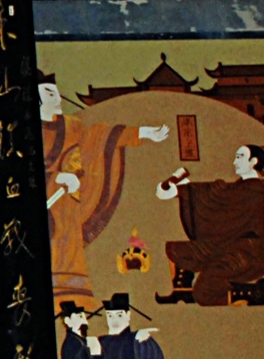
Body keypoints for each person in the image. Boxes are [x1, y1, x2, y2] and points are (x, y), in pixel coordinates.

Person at [41, 74, 169, 311]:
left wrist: (141, 133)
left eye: (56, 92)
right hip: (47, 201)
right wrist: (56, 177)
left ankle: (75, 301)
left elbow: (98, 138)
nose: (57, 98)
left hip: (69, 202)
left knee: (70, 251)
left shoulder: (72, 126)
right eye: (49, 93)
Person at [156, 144, 264, 306]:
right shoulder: (239, 187)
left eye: (240, 157)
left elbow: (223, 196)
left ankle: (248, 293)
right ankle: (182, 291)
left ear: (253, 162)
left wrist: (187, 189)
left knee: (203, 291)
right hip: (224, 244)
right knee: (176, 250)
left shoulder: (255, 189)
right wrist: (186, 189)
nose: (235, 162)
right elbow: (222, 193)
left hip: (246, 252)